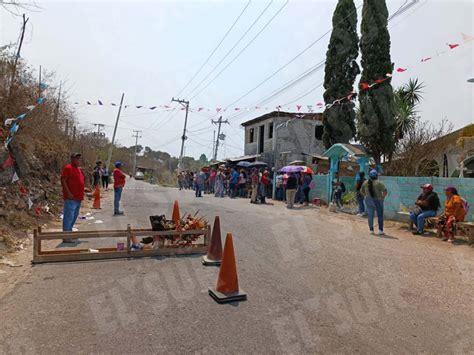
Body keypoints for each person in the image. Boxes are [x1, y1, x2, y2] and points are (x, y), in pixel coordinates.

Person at [61, 153, 85, 243]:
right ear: (72, 159)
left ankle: (69, 233)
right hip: (71, 197)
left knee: (74, 216)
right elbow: (63, 180)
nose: (78, 160)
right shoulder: (68, 168)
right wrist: (68, 193)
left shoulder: (78, 169)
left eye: (79, 158)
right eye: (76, 158)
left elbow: (79, 181)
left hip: (78, 197)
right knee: (69, 217)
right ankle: (66, 236)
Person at [360, 169, 387, 235]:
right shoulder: (379, 182)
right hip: (378, 200)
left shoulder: (365, 182)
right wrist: (382, 198)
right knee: (380, 215)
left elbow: (361, 191)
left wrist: (366, 196)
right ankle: (380, 230)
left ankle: (371, 230)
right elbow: (385, 191)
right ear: (376, 175)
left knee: (370, 215)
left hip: (368, 200)